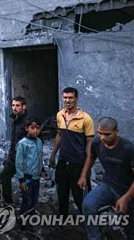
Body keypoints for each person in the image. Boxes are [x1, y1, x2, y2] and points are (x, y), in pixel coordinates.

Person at [79, 117, 134, 239]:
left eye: (107, 134)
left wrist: (126, 198)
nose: (103, 137)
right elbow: (91, 157)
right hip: (108, 186)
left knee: (130, 228)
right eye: (100, 133)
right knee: (88, 205)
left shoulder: (129, 148)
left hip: (129, 191)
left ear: (116, 131)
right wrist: (84, 175)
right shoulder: (96, 143)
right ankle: (95, 237)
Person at [50, 87, 94, 216]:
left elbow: (90, 144)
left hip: (78, 163)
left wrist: (86, 170)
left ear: (76, 99)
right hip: (63, 161)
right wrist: (53, 154)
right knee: (62, 194)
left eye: (70, 97)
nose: (67, 100)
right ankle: (63, 221)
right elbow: (59, 135)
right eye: (65, 97)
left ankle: (90, 224)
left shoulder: (86, 119)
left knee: (81, 197)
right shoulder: (60, 115)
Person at [0, 96, 28, 204]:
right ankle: (8, 203)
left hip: (23, 159)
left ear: (23, 107)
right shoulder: (15, 120)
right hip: (13, 157)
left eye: (17, 105)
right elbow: (14, 141)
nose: (14, 108)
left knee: (25, 184)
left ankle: (28, 208)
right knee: (4, 175)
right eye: (13, 105)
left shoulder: (27, 122)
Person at [15, 116, 44, 216]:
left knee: (34, 200)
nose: (35, 130)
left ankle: (30, 220)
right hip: (27, 179)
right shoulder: (22, 144)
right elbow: (19, 163)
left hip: (36, 177)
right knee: (26, 201)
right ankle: (23, 223)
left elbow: (39, 157)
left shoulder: (39, 142)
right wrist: (21, 180)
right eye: (32, 128)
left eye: (38, 128)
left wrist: (42, 170)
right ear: (27, 128)